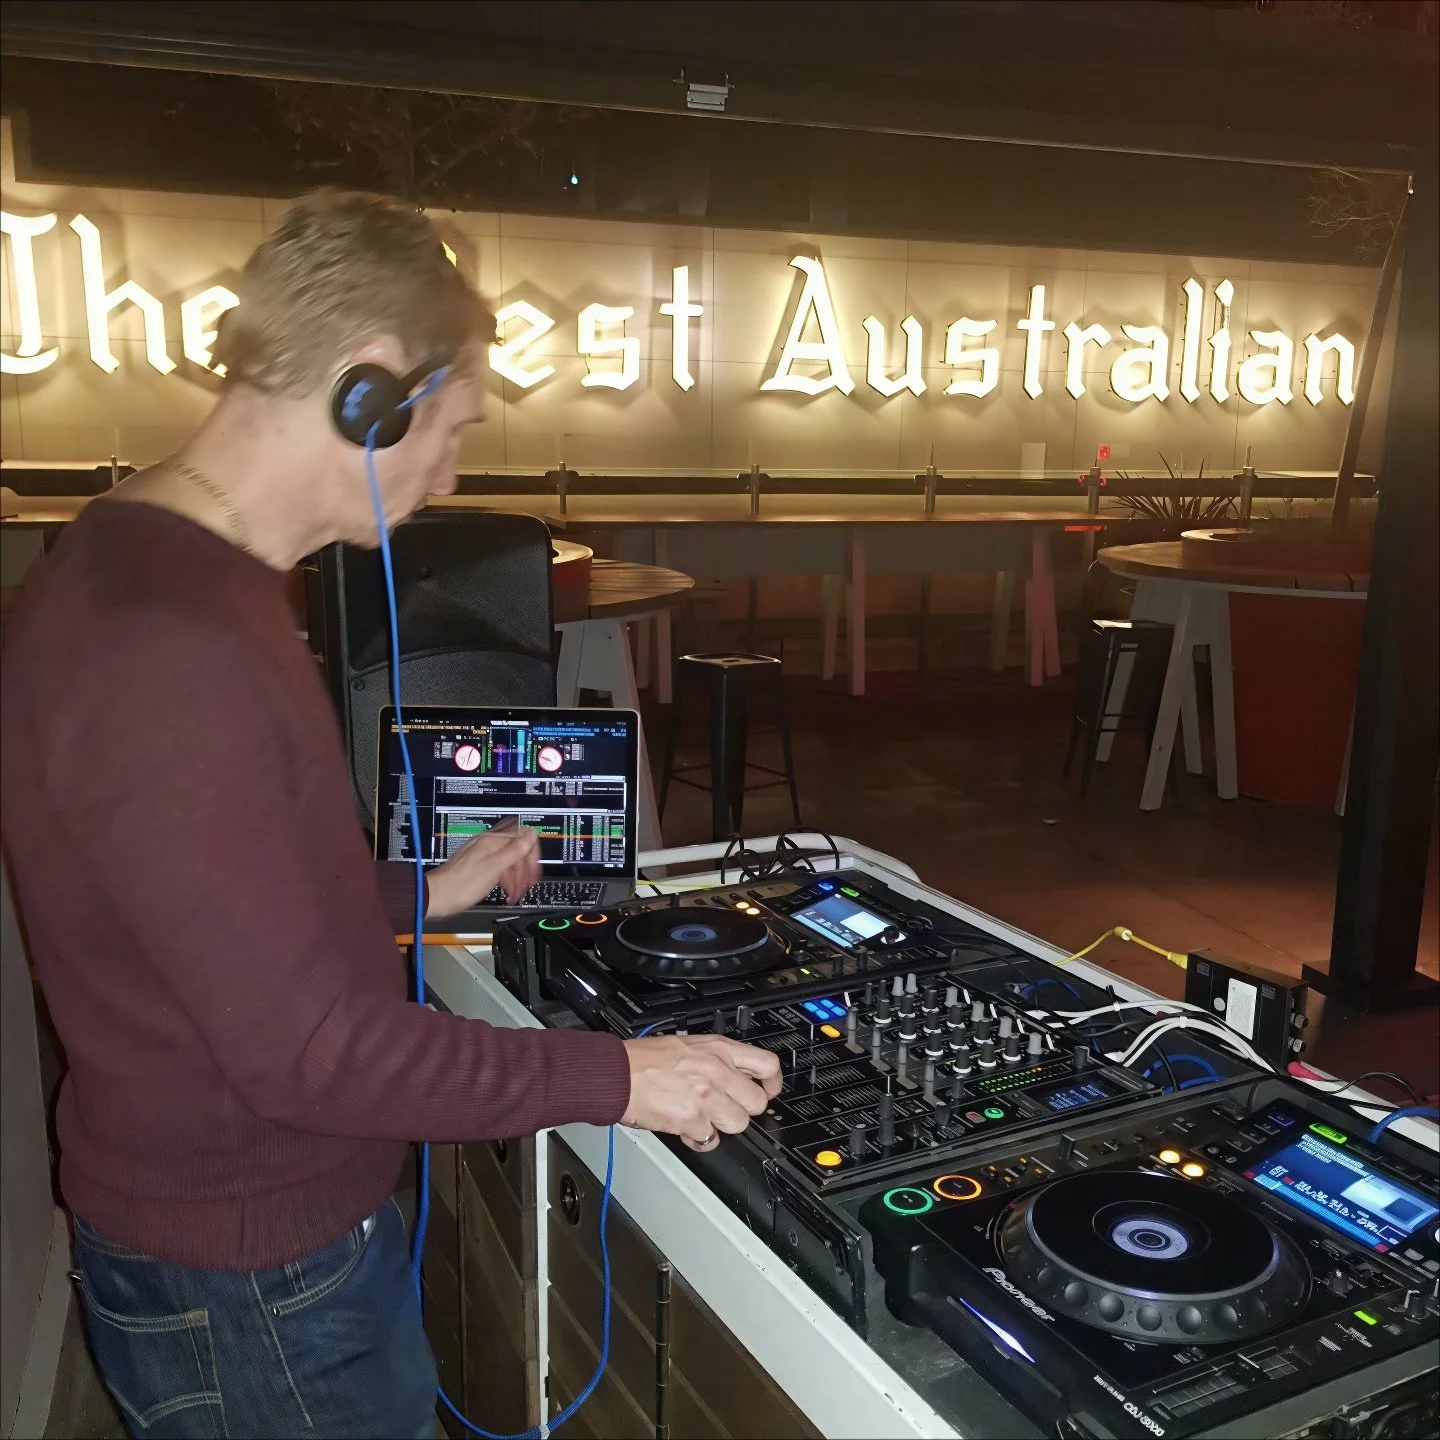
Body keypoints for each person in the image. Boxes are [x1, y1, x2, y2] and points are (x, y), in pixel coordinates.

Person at [0, 190, 782, 1440]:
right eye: (456, 425)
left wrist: (423, 891)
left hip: (233, 1252)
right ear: (374, 388)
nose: (453, 471)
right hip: (261, 1285)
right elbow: (314, 1052)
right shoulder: (171, 646)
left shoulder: (143, 564)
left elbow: (211, 898)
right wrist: (622, 1077)